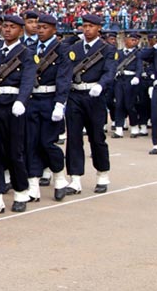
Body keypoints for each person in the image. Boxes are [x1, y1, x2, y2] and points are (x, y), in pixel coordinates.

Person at [0, 15, 36, 214]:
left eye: (12, 27)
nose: (6, 30)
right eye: (5, 26)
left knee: (15, 152)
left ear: (20, 31)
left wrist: (21, 101)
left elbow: (28, 79)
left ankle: (21, 191)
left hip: (13, 106)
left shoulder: (26, 53)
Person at [65, 14, 118, 195]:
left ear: (98, 28)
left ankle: (102, 174)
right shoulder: (75, 48)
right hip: (75, 94)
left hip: (95, 97)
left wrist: (101, 85)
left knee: (97, 137)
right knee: (73, 138)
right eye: (84, 26)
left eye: (90, 26)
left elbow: (110, 71)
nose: (87, 29)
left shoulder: (107, 49)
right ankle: (75, 178)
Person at [25, 14, 72, 201]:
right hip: (33, 99)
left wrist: (60, 104)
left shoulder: (62, 50)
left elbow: (64, 78)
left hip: (51, 99)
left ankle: (60, 177)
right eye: (39, 27)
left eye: (44, 27)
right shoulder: (30, 49)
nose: (40, 30)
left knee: (47, 142)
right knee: (31, 143)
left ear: (54, 29)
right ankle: (33, 185)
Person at [112, 32, 142, 138]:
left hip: (131, 80)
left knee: (130, 105)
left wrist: (137, 77)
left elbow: (139, 66)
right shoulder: (119, 53)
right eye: (131, 40)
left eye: (135, 40)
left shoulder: (138, 53)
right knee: (119, 103)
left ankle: (134, 126)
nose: (134, 42)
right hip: (120, 79)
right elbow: (115, 64)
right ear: (125, 40)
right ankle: (119, 128)